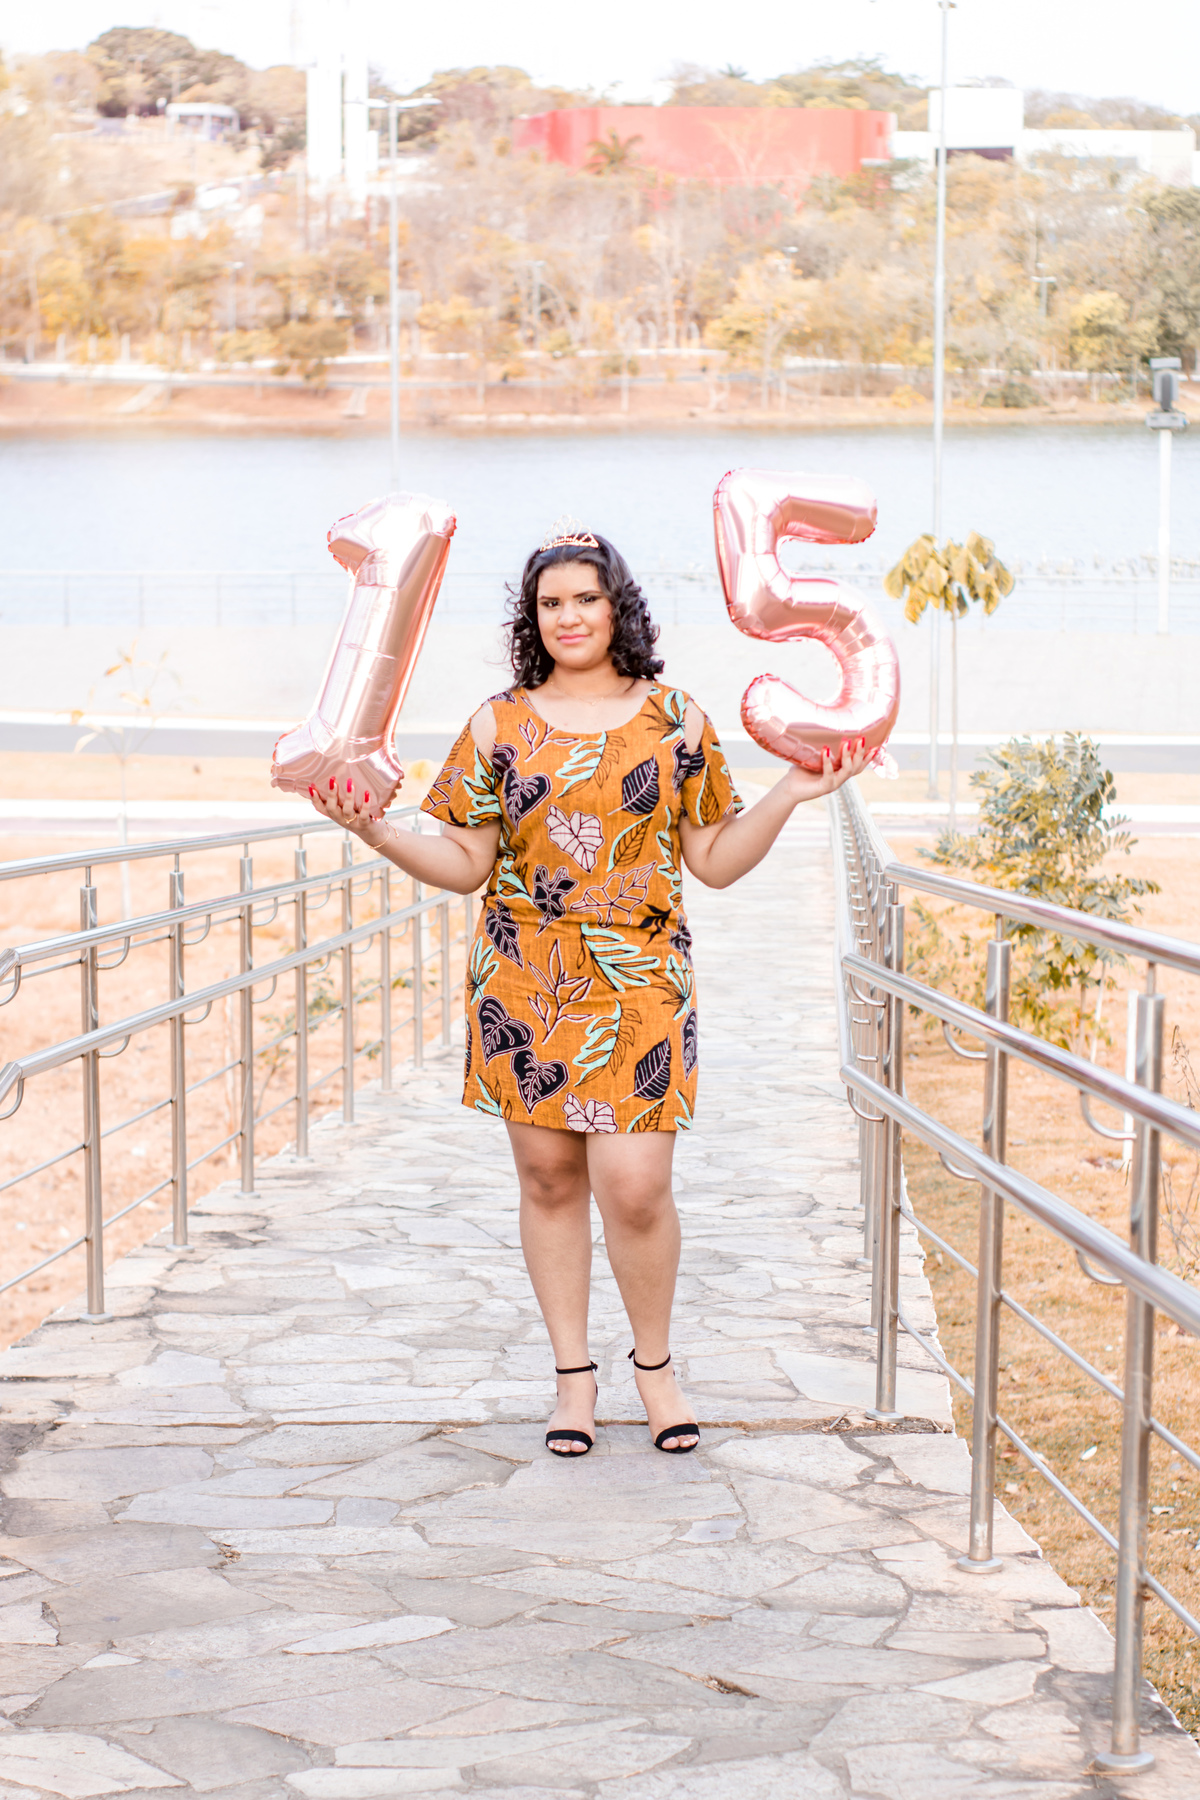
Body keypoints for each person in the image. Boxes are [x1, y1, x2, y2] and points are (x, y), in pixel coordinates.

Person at [308, 521, 870, 1459]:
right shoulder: (498, 723)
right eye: (550, 603)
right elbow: (464, 864)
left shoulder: (676, 719)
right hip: (527, 977)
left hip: (643, 979)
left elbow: (714, 860)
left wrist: (788, 793)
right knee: (548, 1178)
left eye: (585, 598)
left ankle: (655, 1368)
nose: (568, 616)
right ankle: (574, 1377)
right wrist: (375, 832)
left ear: (619, 608)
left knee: (637, 1187)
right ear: (532, 618)